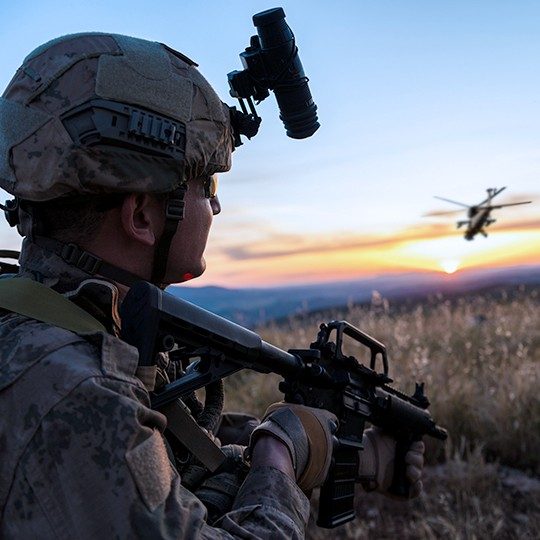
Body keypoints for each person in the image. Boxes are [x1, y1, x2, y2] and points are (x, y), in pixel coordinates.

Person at [0, 33, 425, 538]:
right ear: (140, 214)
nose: (217, 208)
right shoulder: (74, 391)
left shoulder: (50, 320)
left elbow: (154, 446)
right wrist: (279, 455)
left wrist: (349, 449)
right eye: (209, 186)